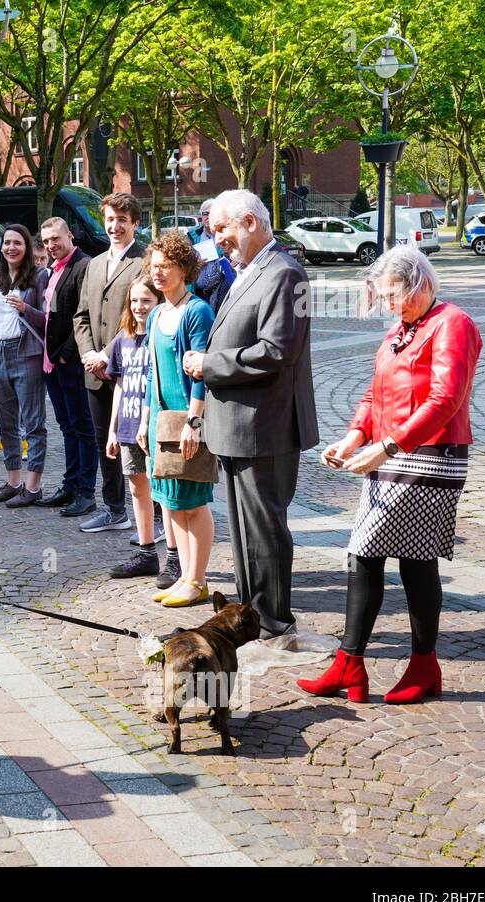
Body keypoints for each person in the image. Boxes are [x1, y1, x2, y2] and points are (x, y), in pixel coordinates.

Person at [298, 247, 482, 704]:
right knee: (377, 555)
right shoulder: (404, 328)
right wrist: (355, 435)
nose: (389, 304)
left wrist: (387, 444)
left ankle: (401, 663)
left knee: (399, 557)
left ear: (419, 282)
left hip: (429, 455)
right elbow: (375, 391)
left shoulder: (451, 322)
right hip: (395, 452)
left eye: (394, 294)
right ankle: (355, 663)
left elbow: (445, 398)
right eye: (383, 297)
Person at [183, 188, 319, 637]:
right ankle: (254, 621)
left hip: (266, 426)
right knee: (243, 533)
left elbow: (277, 351)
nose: (214, 236)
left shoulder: (285, 273)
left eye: (221, 227)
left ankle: (275, 623)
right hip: (238, 426)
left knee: (264, 532)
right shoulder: (246, 271)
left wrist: (209, 364)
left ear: (250, 223)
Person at [138, 233, 216, 607]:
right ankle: (184, 575)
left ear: (183, 268)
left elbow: (201, 373)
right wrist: (145, 420)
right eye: (153, 266)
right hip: (161, 421)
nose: (157, 272)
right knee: (170, 502)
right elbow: (154, 373)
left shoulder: (197, 311)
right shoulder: (156, 313)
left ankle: (197, 580)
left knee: (192, 502)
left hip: (186, 420)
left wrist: (194, 423)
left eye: (165, 266)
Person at [73, 191, 146, 534]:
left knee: (137, 442)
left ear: (134, 223)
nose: (114, 226)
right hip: (95, 371)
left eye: (122, 220)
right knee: (107, 442)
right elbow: (81, 315)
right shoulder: (94, 264)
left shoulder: (144, 262)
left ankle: (153, 516)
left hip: (129, 368)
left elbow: (139, 315)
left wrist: (107, 354)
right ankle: (115, 509)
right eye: (110, 220)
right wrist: (89, 353)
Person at [106, 275, 179, 582]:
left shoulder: (162, 335)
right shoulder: (123, 338)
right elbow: (120, 386)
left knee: (164, 493)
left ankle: (175, 557)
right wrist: (113, 429)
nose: (139, 306)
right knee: (138, 488)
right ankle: (147, 551)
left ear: (158, 301)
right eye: (134, 300)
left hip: (155, 426)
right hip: (128, 423)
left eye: (146, 301)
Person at [0, 224, 49, 508]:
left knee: (33, 423)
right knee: (5, 423)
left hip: (25, 354)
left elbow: (48, 319)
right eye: (7, 243)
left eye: (17, 243)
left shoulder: (39, 277)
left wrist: (24, 308)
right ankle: (13, 481)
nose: (11, 248)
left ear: (27, 248)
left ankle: (33, 487)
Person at [38, 217, 96, 517]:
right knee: (67, 426)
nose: (51, 245)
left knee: (82, 426)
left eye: (55, 239)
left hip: (70, 362)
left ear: (69, 235)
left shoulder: (83, 266)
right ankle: (70, 485)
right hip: (53, 363)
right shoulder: (54, 269)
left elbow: (85, 316)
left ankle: (86, 492)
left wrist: (66, 354)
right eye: (46, 241)